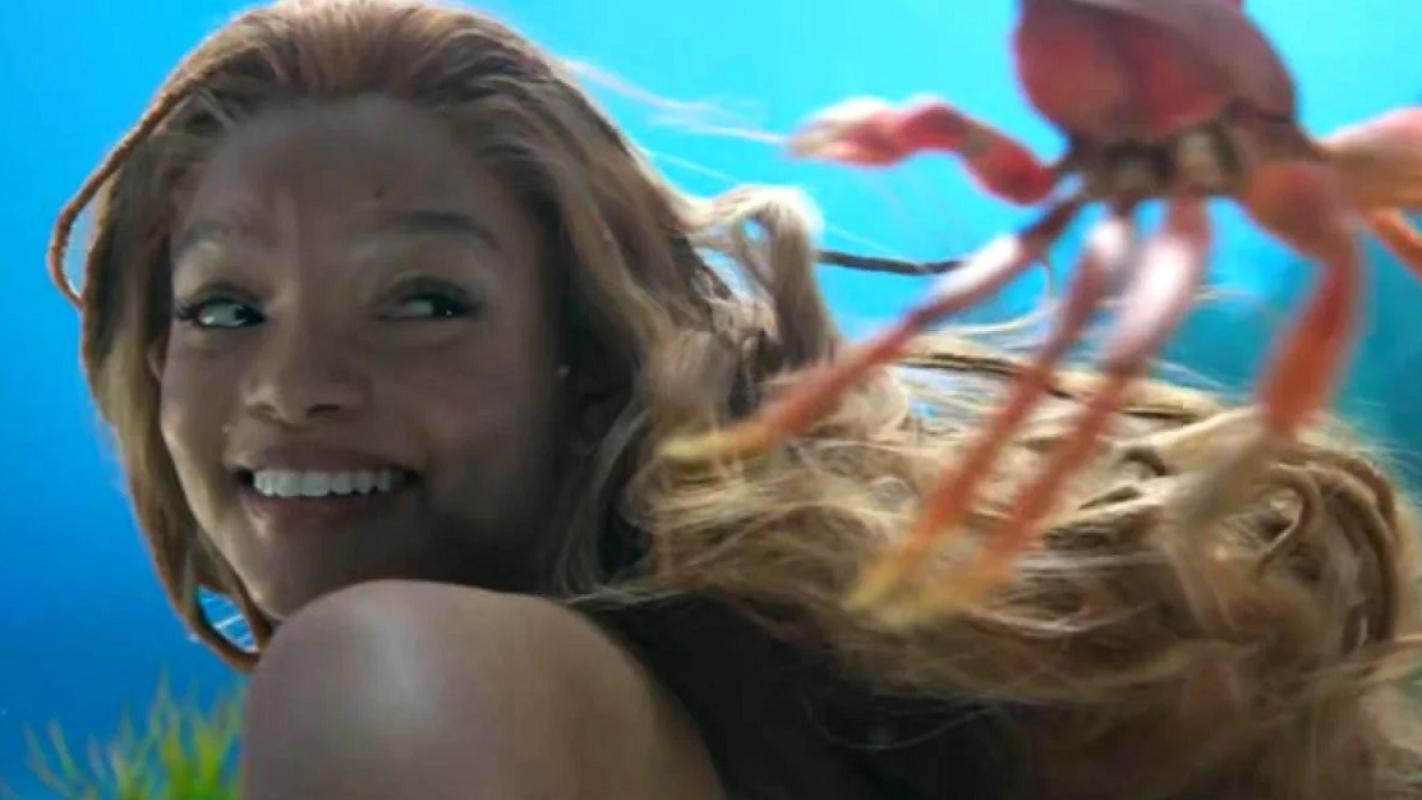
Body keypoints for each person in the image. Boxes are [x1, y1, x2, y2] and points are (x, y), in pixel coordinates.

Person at [48, 0, 1422, 797]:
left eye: (423, 301)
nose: (293, 388)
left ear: (585, 363)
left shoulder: (387, 667)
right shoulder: (755, 717)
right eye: (224, 310)